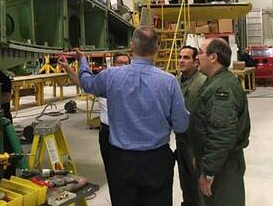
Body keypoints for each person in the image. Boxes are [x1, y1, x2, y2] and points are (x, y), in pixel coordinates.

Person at [59, 26, 189, 206]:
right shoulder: (169, 82)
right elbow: (181, 125)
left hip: (122, 160)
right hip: (156, 160)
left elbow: (87, 84)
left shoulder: (111, 76)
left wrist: (82, 61)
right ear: (156, 50)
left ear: (132, 47)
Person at [193, 38, 251, 206]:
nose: (197, 57)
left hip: (222, 167)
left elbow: (221, 135)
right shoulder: (215, 82)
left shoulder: (221, 88)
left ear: (213, 58)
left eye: (201, 52)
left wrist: (209, 172)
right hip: (217, 161)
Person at [176, 46, 207, 206]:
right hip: (181, 140)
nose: (181, 60)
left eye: (186, 58)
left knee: (198, 184)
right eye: (180, 57)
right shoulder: (176, 82)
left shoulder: (203, 82)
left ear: (196, 62)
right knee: (185, 181)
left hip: (196, 143)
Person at [98, 52, 130, 201]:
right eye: (120, 63)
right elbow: (82, 82)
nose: (123, 66)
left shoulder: (134, 85)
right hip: (107, 132)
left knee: (127, 174)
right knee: (112, 173)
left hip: (126, 133)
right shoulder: (105, 82)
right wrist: (68, 67)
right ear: (113, 64)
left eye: (126, 63)